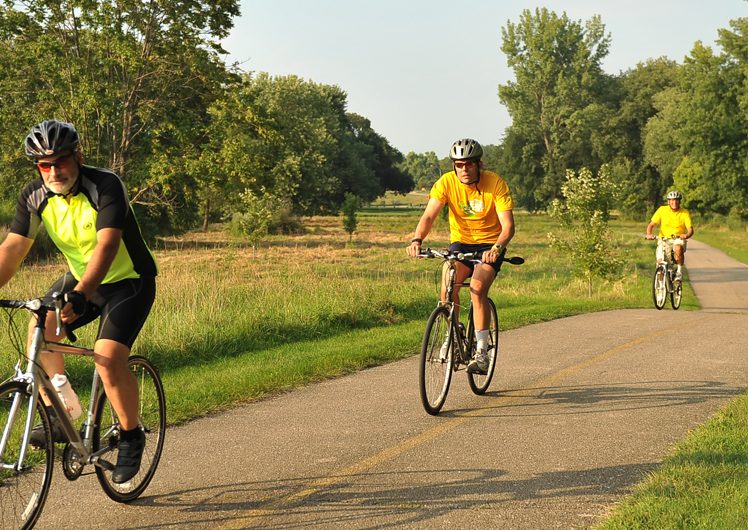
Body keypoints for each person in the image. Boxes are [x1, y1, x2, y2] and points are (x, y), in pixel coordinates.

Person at [0, 119, 158, 484]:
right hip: (81, 280)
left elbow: (108, 244)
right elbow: (12, 248)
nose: (54, 171)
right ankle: (59, 410)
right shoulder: (34, 196)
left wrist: (83, 294)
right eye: (44, 164)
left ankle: (131, 434)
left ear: (78, 157)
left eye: (61, 161)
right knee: (39, 325)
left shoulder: (104, 184)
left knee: (107, 357)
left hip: (128, 281)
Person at [407, 138, 514, 373]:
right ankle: (452, 338)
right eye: (459, 165)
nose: (464, 170)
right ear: (454, 166)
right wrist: (417, 239)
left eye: (468, 165)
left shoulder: (495, 183)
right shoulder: (446, 182)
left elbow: (508, 226)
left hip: (489, 245)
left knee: (477, 288)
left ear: (479, 164)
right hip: (461, 244)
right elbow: (428, 216)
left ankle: (482, 351)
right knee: (447, 287)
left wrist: (496, 248)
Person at [646, 190, 694, 283]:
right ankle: (660, 289)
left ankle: (679, 272)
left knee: (678, 248)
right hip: (664, 239)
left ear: (679, 201)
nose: (674, 202)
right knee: (660, 262)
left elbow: (690, 229)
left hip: (678, 238)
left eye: (676, 200)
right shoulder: (662, 210)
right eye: (672, 200)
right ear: (668, 201)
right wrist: (649, 234)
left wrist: (686, 235)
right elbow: (651, 225)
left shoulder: (684, 213)